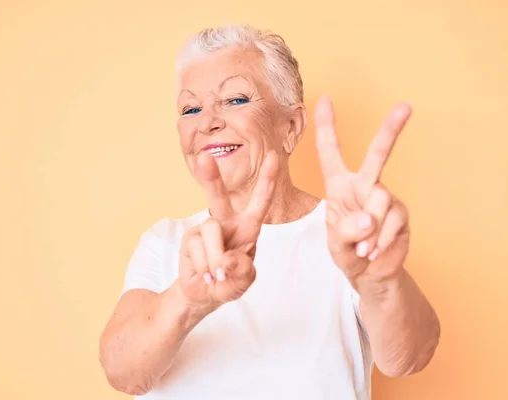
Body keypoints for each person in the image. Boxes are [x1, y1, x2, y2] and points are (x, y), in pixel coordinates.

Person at [98, 23, 441, 400]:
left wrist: (379, 280)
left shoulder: (346, 232)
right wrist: (190, 299)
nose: (208, 122)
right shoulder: (166, 242)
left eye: (235, 99)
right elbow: (123, 372)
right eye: (191, 108)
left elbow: (408, 359)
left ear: (291, 125)